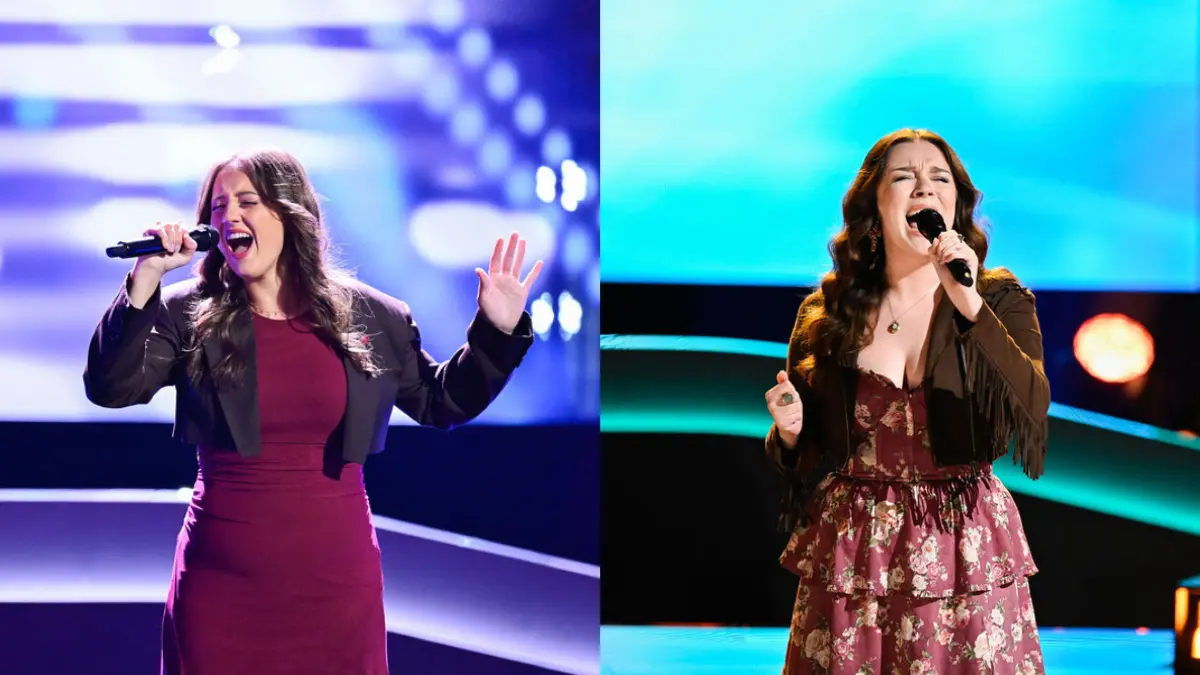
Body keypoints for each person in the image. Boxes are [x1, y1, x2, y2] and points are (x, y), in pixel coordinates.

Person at [83, 149, 543, 675]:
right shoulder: (188, 313)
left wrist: (498, 332)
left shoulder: (375, 316)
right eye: (217, 207)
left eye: (247, 201)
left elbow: (443, 401)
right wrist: (144, 281)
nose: (228, 216)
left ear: (290, 211)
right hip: (222, 582)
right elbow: (111, 388)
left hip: (336, 583)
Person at [762, 129, 1050, 674]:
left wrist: (968, 305)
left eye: (938, 178)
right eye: (904, 177)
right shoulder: (826, 314)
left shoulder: (998, 300)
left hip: (964, 545)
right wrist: (791, 428)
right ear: (874, 203)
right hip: (857, 548)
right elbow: (804, 454)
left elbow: (1032, 405)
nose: (924, 187)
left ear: (956, 204)